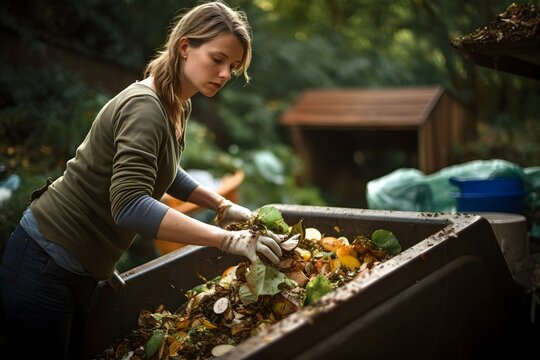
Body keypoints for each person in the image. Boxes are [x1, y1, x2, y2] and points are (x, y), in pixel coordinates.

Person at [0, 1, 283, 359]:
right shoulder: (145, 108)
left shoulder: (176, 103)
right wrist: (226, 241)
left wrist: (221, 204)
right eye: (217, 59)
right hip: (45, 263)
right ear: (185, 47)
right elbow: (130, 206)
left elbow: (163, 169)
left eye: (233, 67)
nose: (226, 73)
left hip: (80, 268)